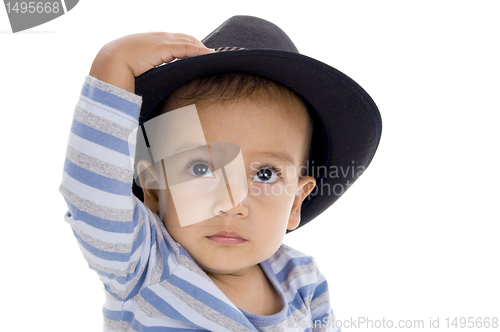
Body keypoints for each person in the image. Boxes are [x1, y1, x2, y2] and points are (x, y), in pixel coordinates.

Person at [60, 16, 381, 332]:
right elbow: (93, 198)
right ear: (155, 189)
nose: (231, 202)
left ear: (296, 201)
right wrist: (115, 61)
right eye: (201, 168)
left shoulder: (302, 280)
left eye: (266, 174)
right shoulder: (145, 263)